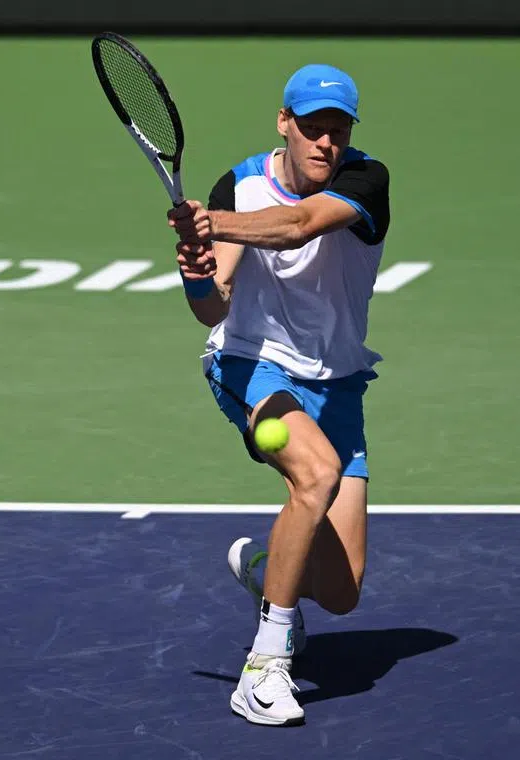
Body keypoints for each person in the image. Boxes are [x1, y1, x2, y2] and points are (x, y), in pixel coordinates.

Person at [167, 63, 391, 727]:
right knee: (315, 475)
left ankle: (270, 573)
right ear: (284, 125)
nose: (326, 142)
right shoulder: (238, 185)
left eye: (338, 130)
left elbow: (297, 226)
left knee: (343, 594)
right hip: (251, 366)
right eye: (313, 129)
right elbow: (215, 310)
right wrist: (196, 275)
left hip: (339, 382)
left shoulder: (366, 180)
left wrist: (215, 226)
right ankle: (264, 669)